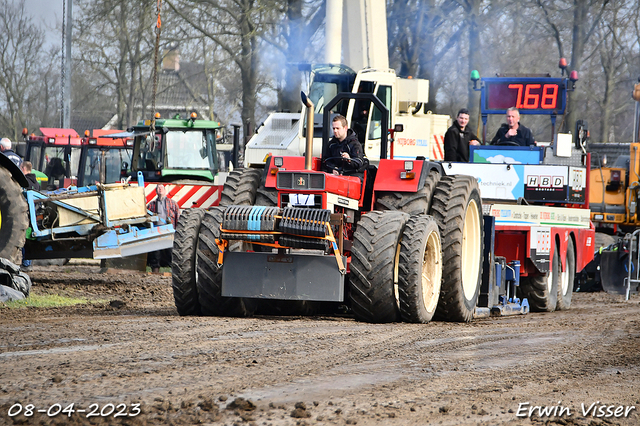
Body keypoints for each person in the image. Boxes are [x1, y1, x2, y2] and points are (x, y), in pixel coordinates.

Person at [146, 184, 179, 273]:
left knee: (171, 252)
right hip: (156, 231)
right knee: (155, 253)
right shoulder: (151, 205)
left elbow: (177, 217)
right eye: (158, 188)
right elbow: (146, 218)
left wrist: (177, 231)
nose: (160, 190)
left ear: (165, 191)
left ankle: (174, 273)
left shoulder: (173, 203)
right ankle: (155, 272)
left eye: (161, 188)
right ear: (156, 191)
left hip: (169, 230)